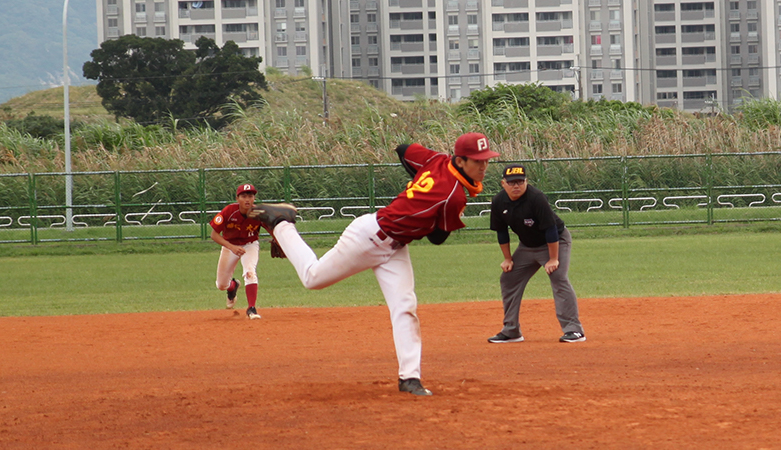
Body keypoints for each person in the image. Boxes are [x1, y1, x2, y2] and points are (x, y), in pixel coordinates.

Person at [249, 132, 500, 397]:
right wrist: (432, 206)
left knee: (405, 307)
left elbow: (404, 149)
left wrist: (416, 185)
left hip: (395, 247)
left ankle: (410, 378)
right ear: (460, 162)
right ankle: (281, 223)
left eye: (486, 160)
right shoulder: (454, 197)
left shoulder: (437, 159)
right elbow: (437, 238)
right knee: (313, 278)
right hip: (369, 238)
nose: (483, 166)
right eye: (477, 161)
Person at [487, 164, 585, 344]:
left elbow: (551, 229)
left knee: (558, 277)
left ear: (526, 182)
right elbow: (501, 232)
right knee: (508, 278)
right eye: (511, 182)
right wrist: (508, 259)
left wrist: (553, 259)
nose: (516, 186)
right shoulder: (499, 202)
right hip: (527, 246)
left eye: (520, 181)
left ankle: (574, 330)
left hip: (555, 241)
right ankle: (511, 330)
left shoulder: (536, 198)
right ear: (503, 183)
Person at [211, 183, 266, 320]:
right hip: (230, 246)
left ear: (254, 198)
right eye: (244, 196)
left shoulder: (258, 213)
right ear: (237, 199)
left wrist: (278, 240)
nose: (247, 199)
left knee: (250, 272)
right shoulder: (229, 211)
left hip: (250, 245)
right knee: (221, 284)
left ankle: (251, 309)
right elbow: (214, 235)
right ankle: (233, 286)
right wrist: (232, 247)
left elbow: (271, 228)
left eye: (250, 196)